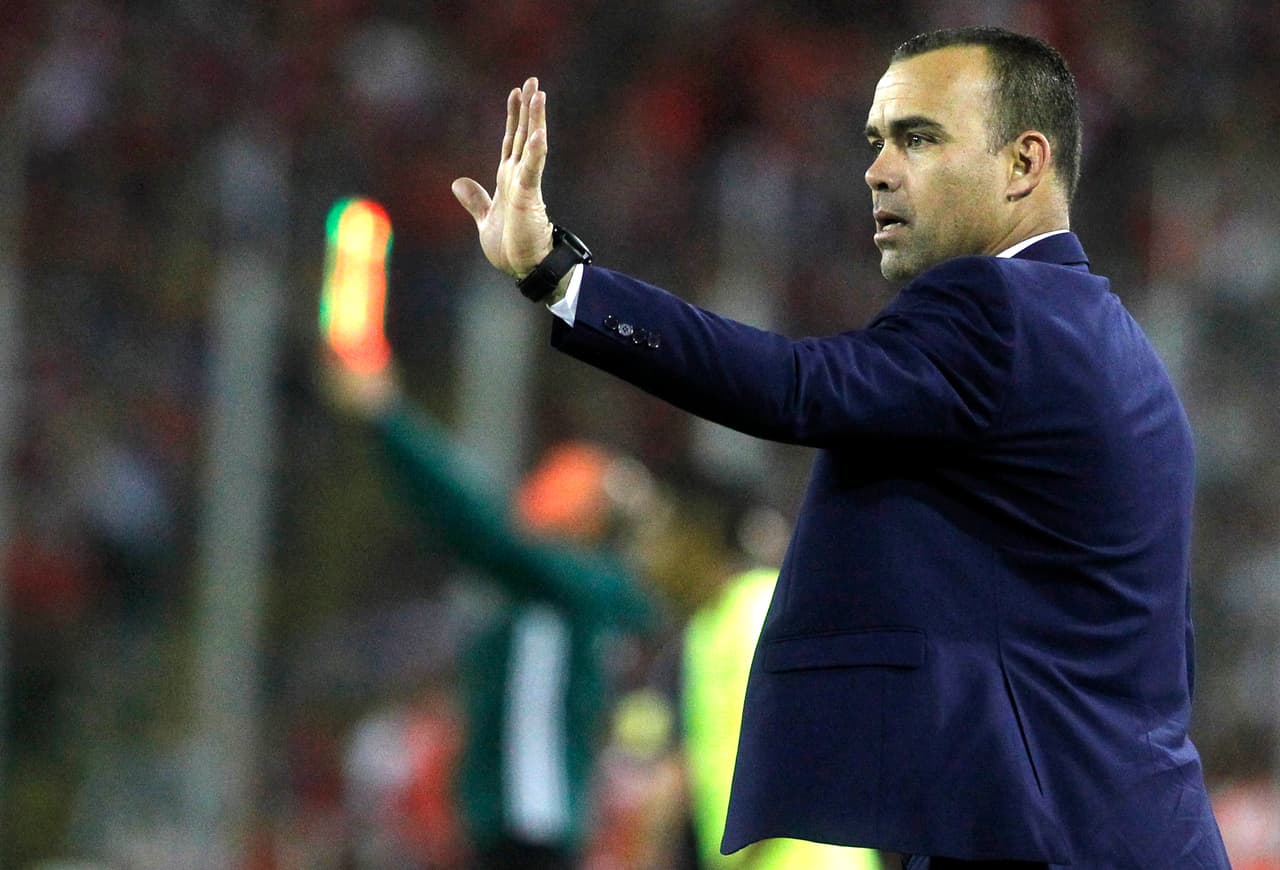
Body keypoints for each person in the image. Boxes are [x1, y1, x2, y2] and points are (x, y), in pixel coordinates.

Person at [451, 24, 1230, 870]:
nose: (878, 169)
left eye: (919, 138)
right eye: (875, 141)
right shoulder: (1114, 344)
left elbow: (797, 386)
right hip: (1125, 828)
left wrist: (560, 278)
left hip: (1040, 837)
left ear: (1024, 163)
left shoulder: (996, 307)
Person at [319, 354, 660, 870]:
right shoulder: (570, 593)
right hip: (519, 827)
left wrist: (385, 416)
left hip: (530, 827)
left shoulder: (576, 584)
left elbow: (476, 527)